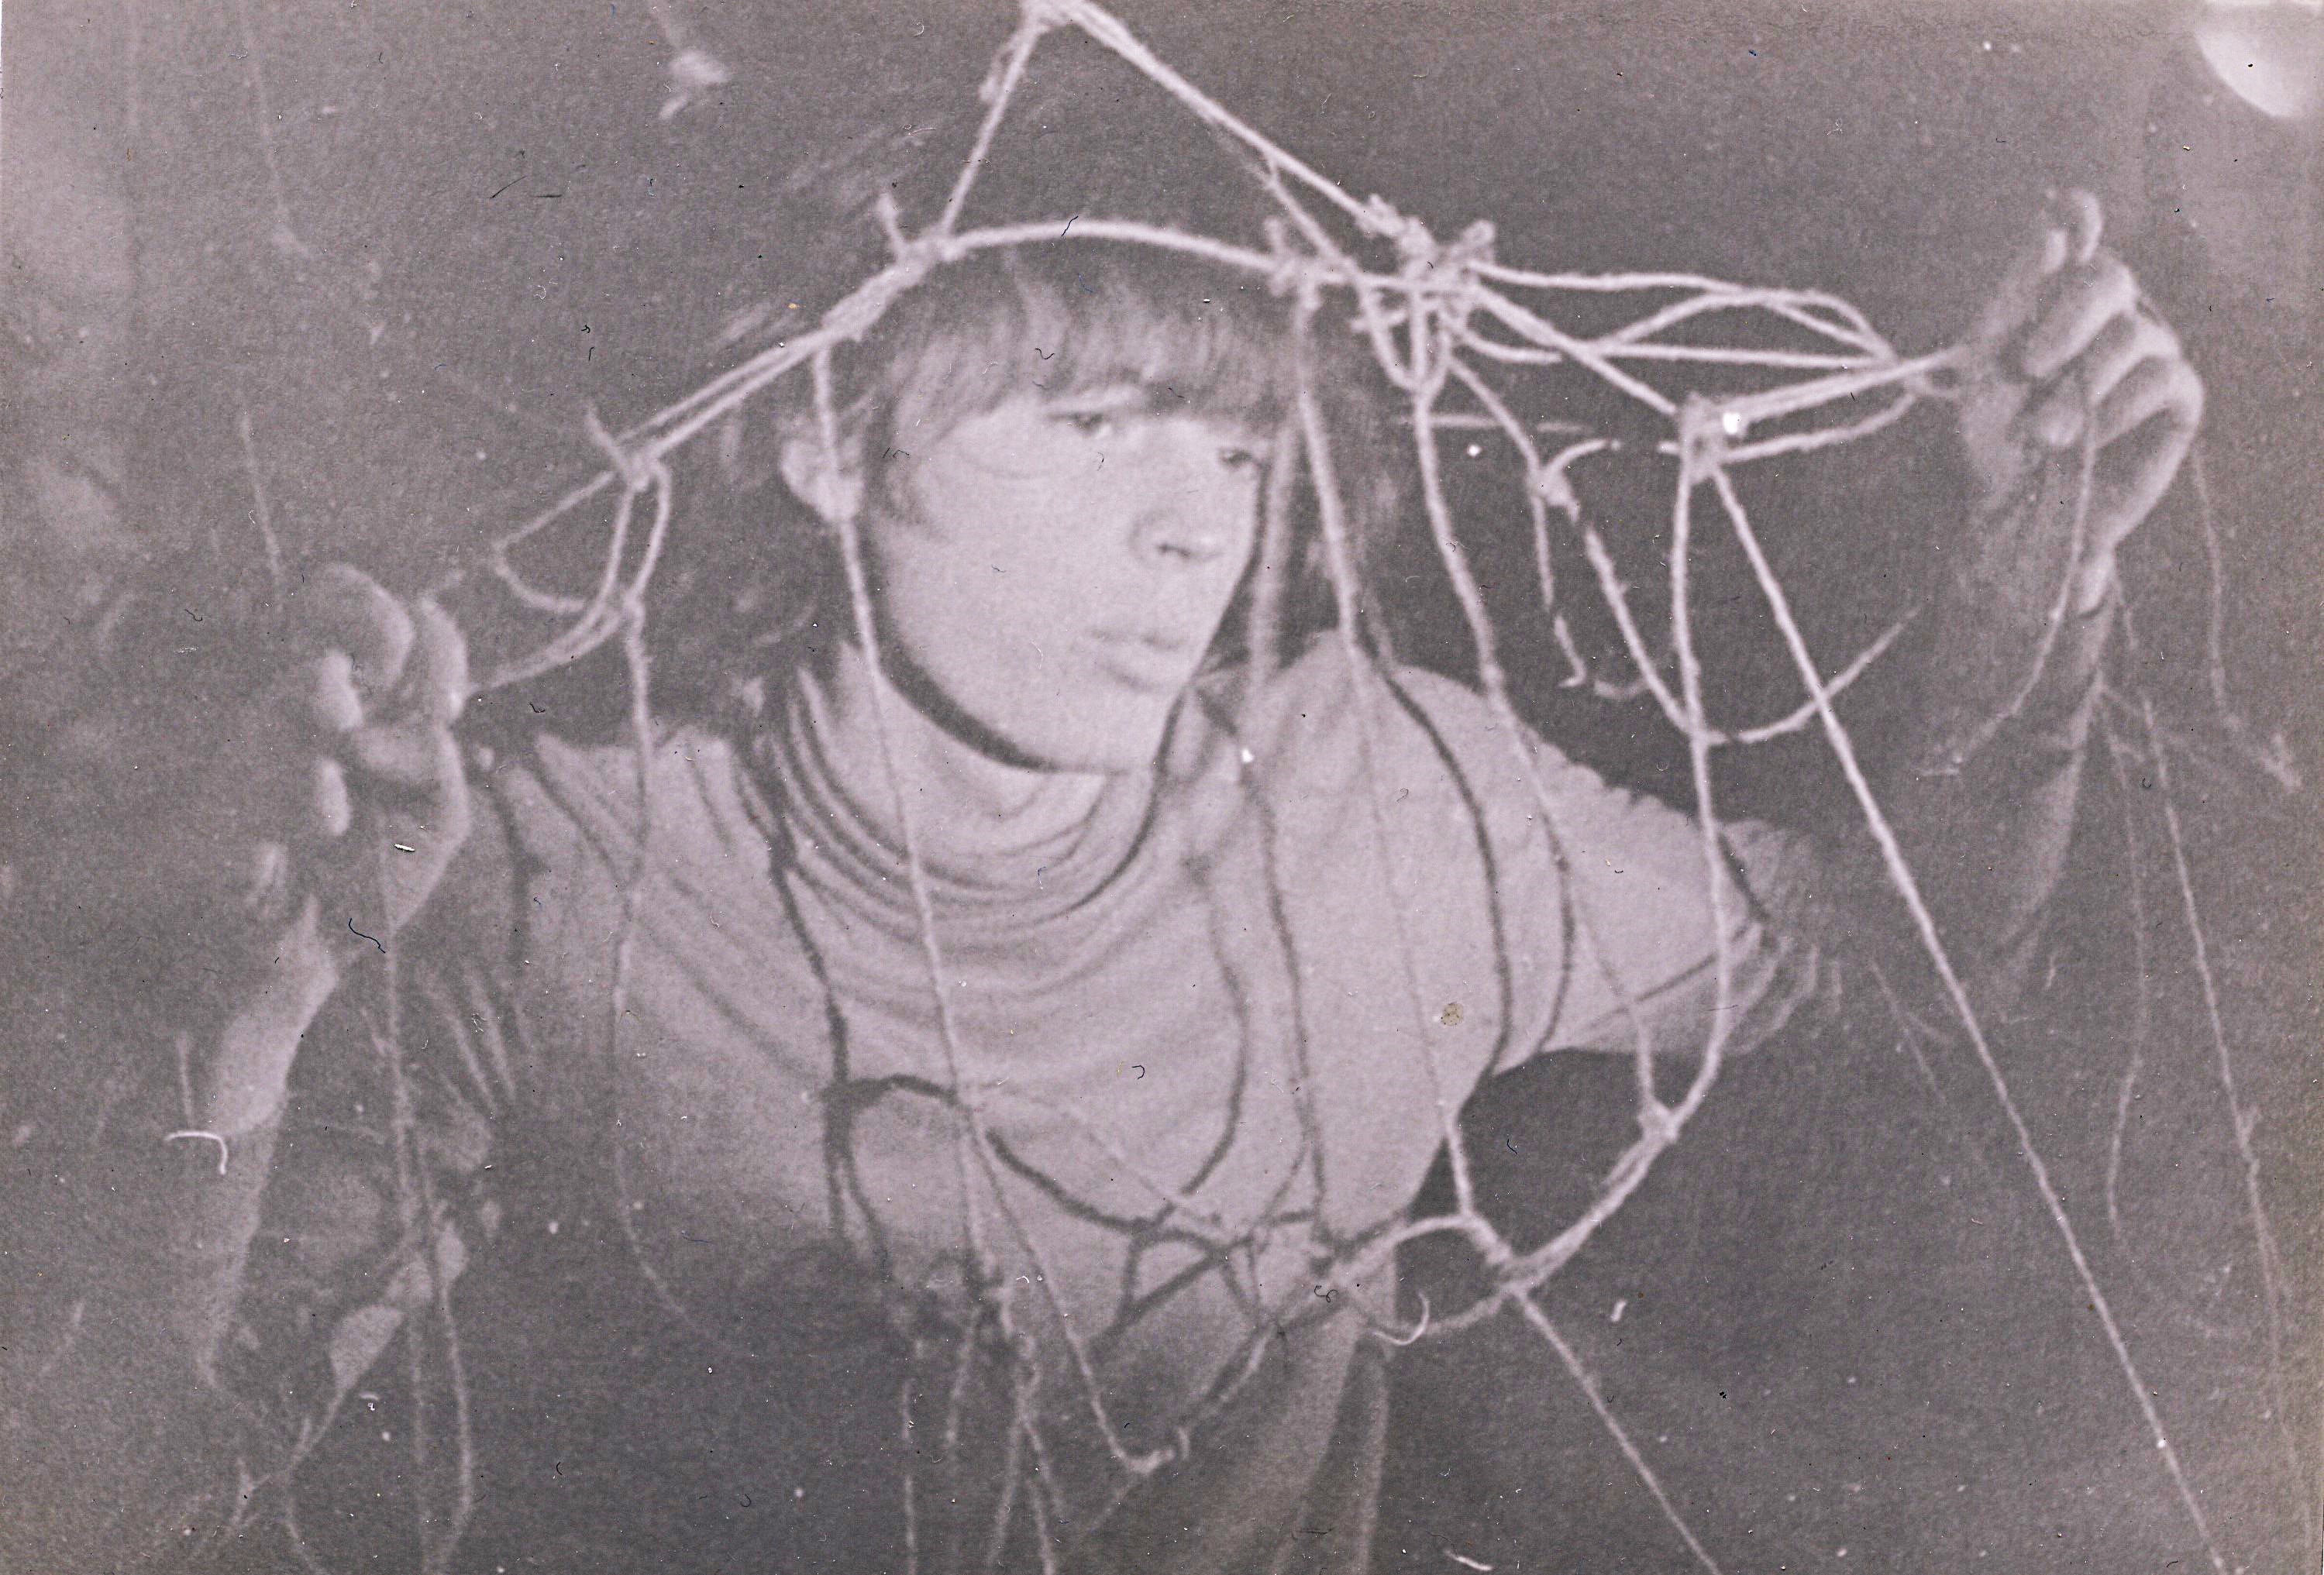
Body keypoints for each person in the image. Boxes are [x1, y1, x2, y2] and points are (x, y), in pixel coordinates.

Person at [0, 49, 2202, 1575]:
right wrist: (244, 1015)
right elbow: (138, 1500)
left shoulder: (1378, 805)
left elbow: (1906, 977)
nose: (1193, 532)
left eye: (1236, 453)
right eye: (1091, 424)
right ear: (829, 441)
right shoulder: (561, 875)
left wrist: (2042, 569)